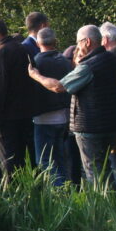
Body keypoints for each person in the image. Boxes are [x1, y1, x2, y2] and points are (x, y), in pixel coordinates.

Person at [28, 24, 116, 187]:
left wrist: (35, 75)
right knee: (108, 169)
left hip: (90, 127)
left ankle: (101, 209)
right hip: (112, 124)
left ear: (87, 42)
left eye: (78, 42)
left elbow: (59, 86)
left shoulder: (88, 67)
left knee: (93, 174)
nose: (77, 46)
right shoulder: (114, 59)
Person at [0, 16, 42, 176]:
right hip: (26, 115)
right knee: (27, 161)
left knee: (9, 162)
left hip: (6, 118)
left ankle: (12, 197)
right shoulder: (23, 49)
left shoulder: (0, 53)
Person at [30, 28, 72, 184]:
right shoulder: (64, 61)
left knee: (46, 161)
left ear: (37, 42)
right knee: (60, 159)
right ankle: (65, 191)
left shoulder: (36, 63)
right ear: (55, 41)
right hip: (64, 116)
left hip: (43, 118)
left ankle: (56, 195)